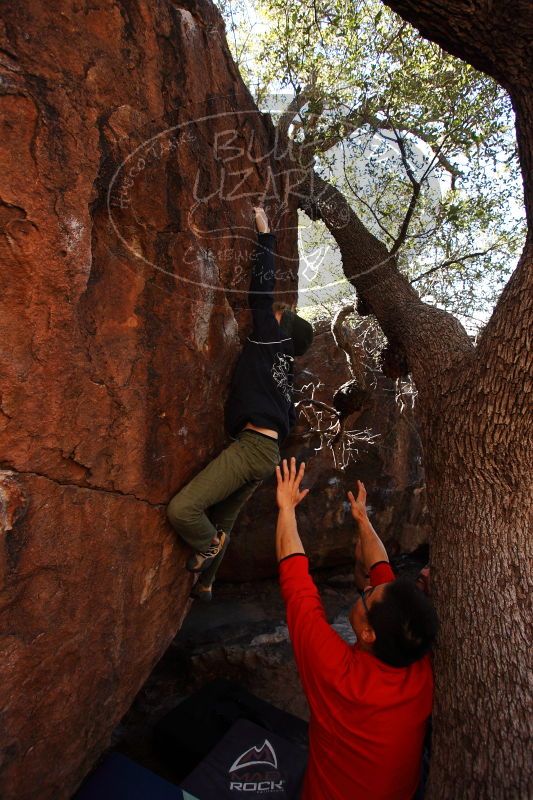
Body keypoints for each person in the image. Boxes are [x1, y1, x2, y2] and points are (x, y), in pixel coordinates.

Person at [166, 206, 313, 602]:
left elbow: (260, 293)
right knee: (226, 516)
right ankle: (208, 583)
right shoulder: (286, 371)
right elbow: (291, 418)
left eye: (282, 314)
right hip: (266, 453)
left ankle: (207, 545)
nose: (276, 312)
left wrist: (265, 235)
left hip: (252, 449)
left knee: (184, 511)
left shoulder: (271, 338)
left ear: (283, 328)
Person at [275, 457, 439, 800]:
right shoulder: (415, 657)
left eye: (367, 597)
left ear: (368, 634)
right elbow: (381, 570)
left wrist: (286, 508)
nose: (366, 587)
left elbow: (297, 586)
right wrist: (363, 520)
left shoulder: (340, 677)